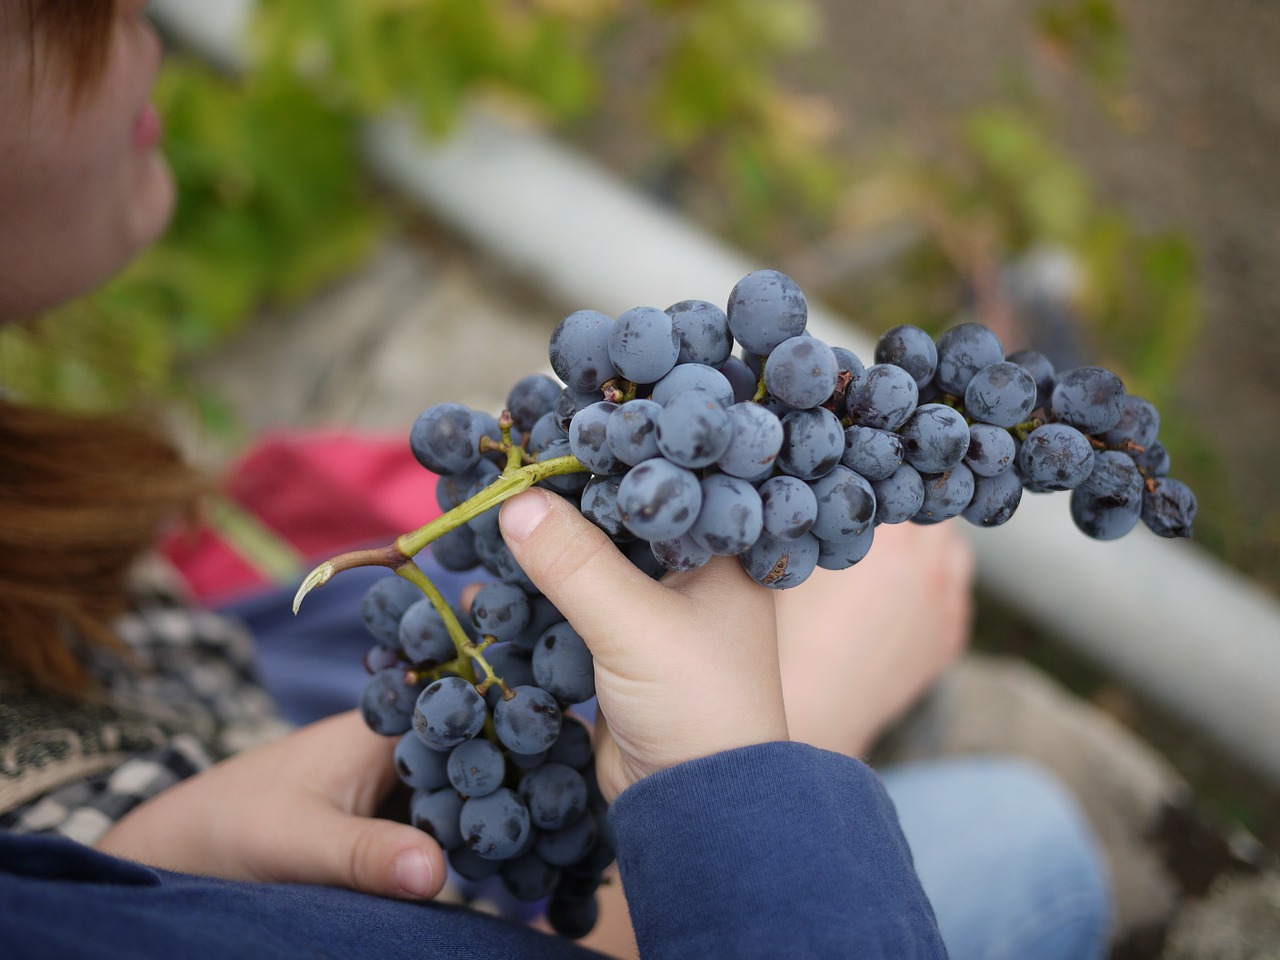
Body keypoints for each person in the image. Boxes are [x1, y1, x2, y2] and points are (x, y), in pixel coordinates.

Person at [0, 2, 1112, 958]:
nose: (130, 15)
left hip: (234, 774)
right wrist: (780, 752)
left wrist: (131, 859)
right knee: (1035, 839)